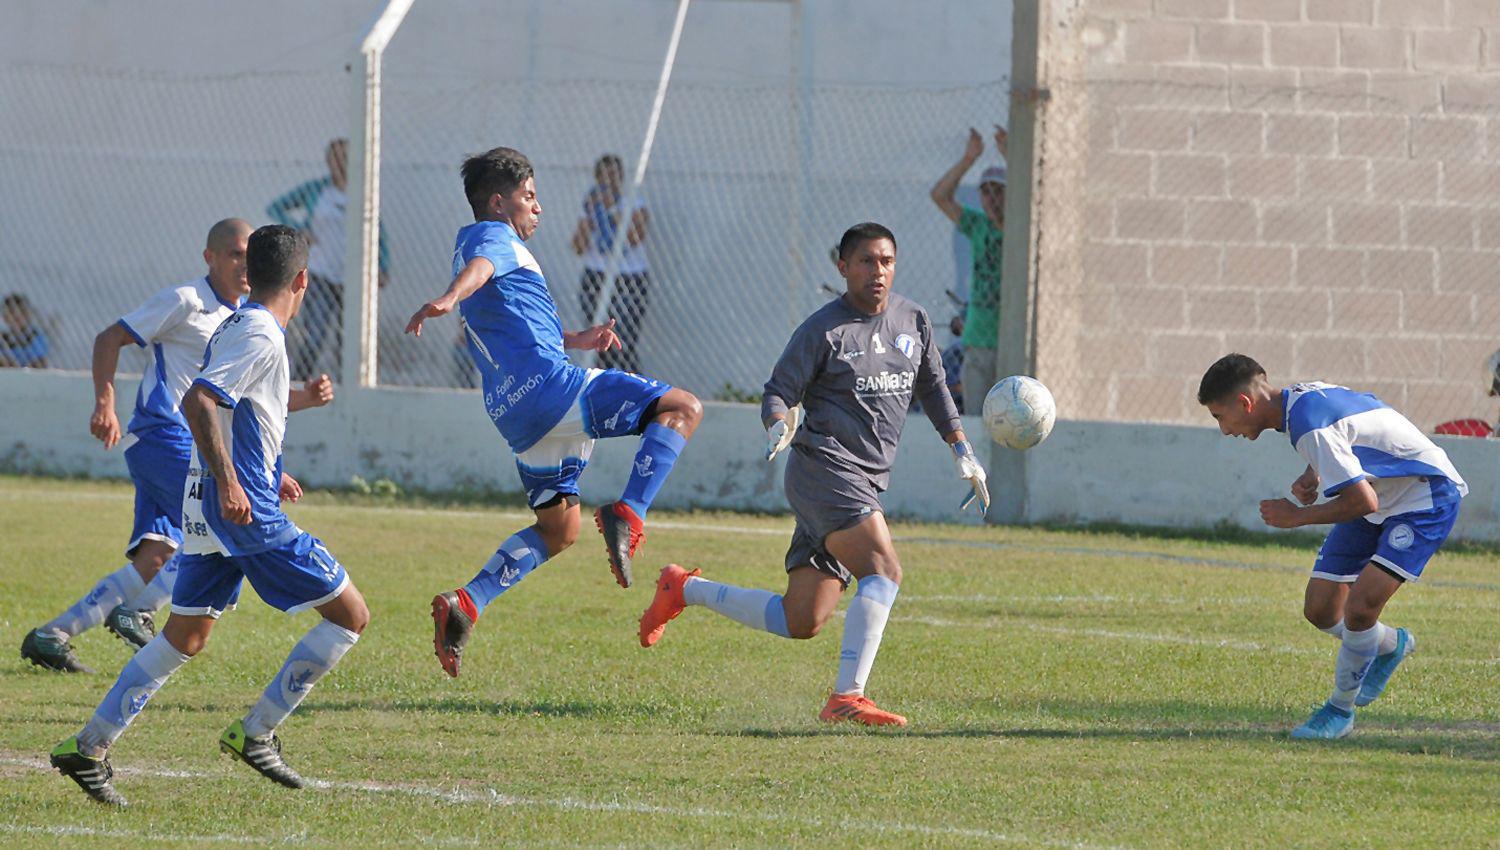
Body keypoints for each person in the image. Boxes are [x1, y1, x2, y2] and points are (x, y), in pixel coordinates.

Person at [48, 225, 369, 806]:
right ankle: (256, 732)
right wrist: (233, 483)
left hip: (215, 504)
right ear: (301, 281)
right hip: (242, 512)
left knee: (185, 635)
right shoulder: (261, 334)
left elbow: (237, 415)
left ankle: (88, 747)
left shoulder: (236, 323)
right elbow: (200, 401)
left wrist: (266, 471)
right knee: (350, 615)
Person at [636, 222, 990, 727]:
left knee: (800, 619)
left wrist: (962, 450)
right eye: (866, 261)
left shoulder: (914, 321)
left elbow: (933, 388)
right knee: (884, 569)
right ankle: (848, 696)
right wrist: (778, 424)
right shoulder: (824, 330)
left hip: (863, 480)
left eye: (886, 261)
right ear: (843, 267)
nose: (877, 271)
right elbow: (778, 391)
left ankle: (683, 589)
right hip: (823, 468)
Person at [405, 146, 703, 678]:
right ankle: (629, 514)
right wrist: (448, 298)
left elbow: (507, 313)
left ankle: (467, 602)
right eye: (529, 196)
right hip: (552, 389)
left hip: (516, 416)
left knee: (558, 530)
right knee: (682, 407)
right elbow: (479, 272)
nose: (538, 207)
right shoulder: (491, 240)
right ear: (499, 203)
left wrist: (574, 337)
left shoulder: (477, 242)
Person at [1198, 354, 1466, 740]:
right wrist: (1315, 471)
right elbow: (1357, 420)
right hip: (1378, 491)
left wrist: (1296, 517)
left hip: (1424, 495)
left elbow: (1361, 502)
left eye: (1220, 417)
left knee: (1359, 609)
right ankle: (1392, 644)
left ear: (1245, 403)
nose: (1224, 430)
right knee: (1321, 609)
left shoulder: (1307, 426)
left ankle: (1339, 711)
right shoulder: (1302, 399)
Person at [266, 138, 390, 381]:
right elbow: (276, 207)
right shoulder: (317, 190)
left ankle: (350, 385)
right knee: (316, 333)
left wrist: (382, 266)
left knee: (350, 336)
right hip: (321, 272)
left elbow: (379, 232)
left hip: (354, 276)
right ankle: (299, 383)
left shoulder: (362, 193)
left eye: (344, 157)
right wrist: (300, 229)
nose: (339, 162)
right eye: (334, 157)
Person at [931, 125, 1007, 402]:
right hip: (978, 340)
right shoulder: (978, 225)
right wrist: (969, 159)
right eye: (986, 192)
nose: (992, 198)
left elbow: (1035, 198)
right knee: (976, 416)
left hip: (1009, 340)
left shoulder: (1019, 228)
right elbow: (940, 195)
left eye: (999, 191)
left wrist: (1012, 156)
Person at [570, 154, 651, 374]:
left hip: (630, 276)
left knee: (625, 338)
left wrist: (611, 213)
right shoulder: (590, 204)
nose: (610, 179)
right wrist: (592, 216)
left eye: (615, 174)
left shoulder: (633, 202)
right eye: (605, 174)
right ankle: (604, 383)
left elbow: (635, 237)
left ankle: (633, 383)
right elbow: (578, 246)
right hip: (596, 273)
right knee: (600, 339)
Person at [0, 293, 50, 367]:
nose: (17, 315)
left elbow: (40, 361)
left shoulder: (35, 336)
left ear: (27, 314)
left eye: (22, 311)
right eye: (12, 312)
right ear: (5, 317)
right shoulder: (3, 338)